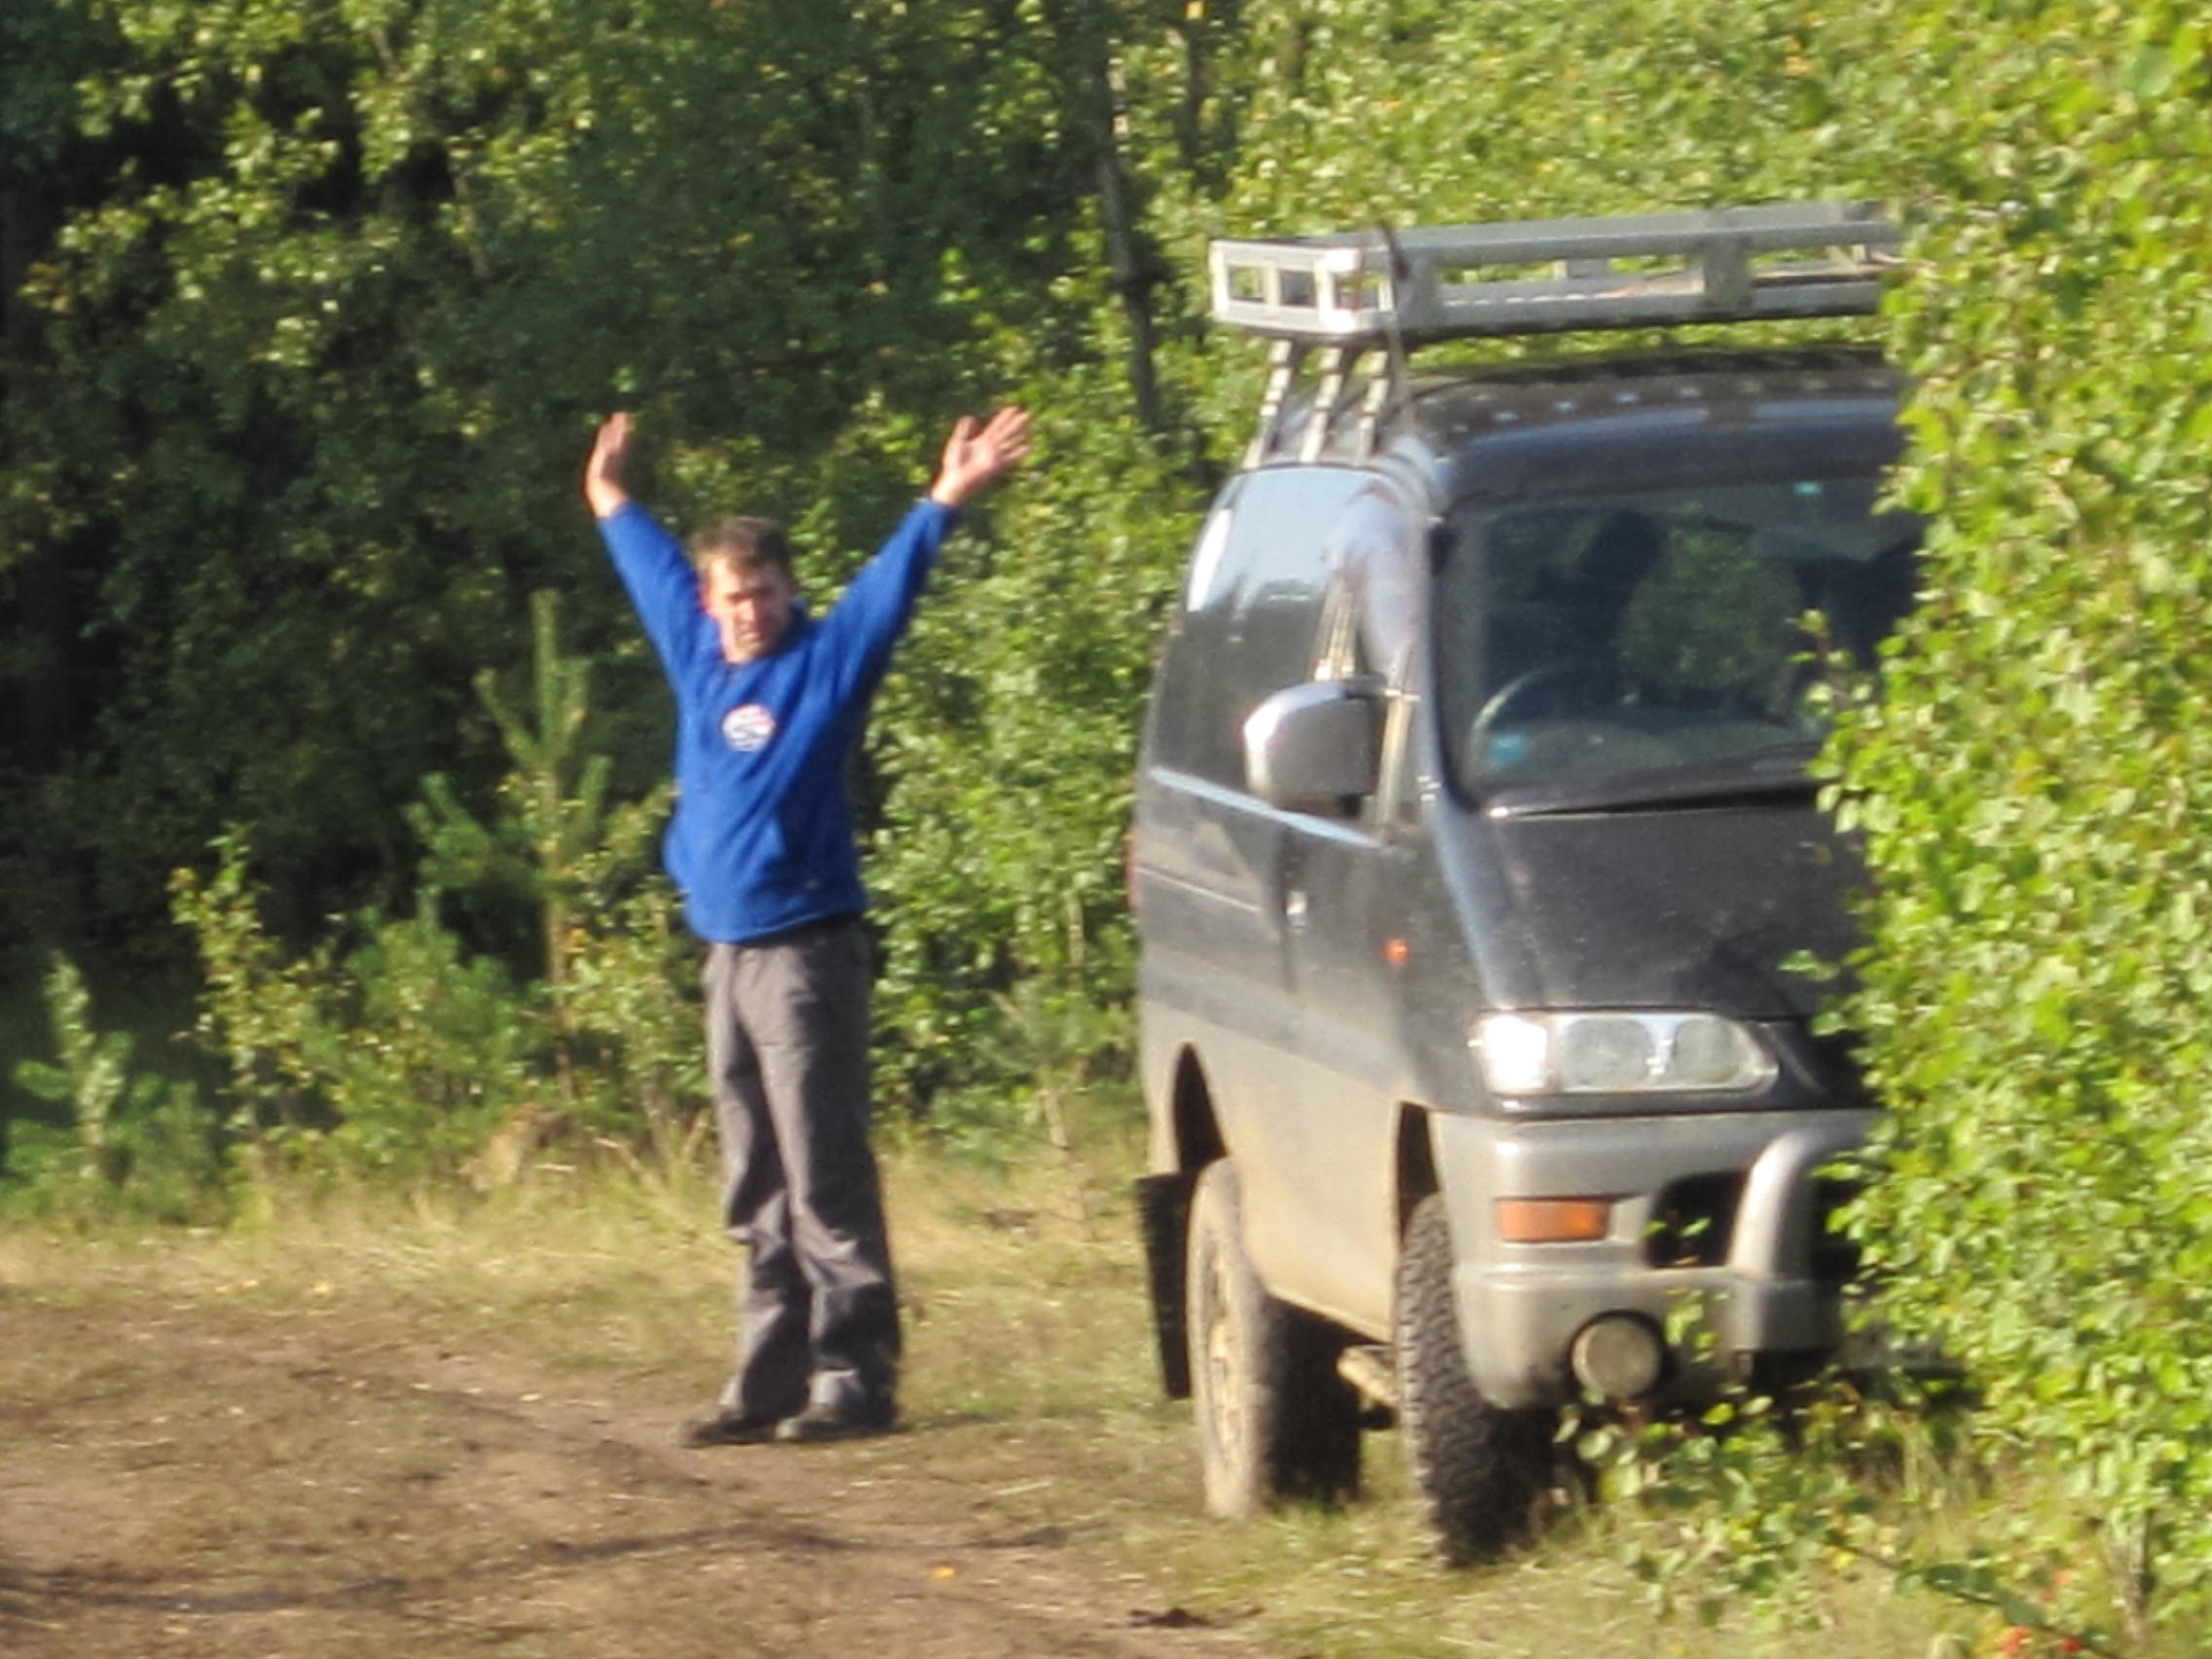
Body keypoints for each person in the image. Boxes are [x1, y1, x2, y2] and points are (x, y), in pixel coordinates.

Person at [583, 404, 1034, 1445]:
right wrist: (608, 495)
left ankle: (854, 1376)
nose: (749, 613)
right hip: (727, 955)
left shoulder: (823, 665)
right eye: (733, 597)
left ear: (790, 593)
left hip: (805, 954)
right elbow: (651, 568)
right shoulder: (699, 654)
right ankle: (769, 1378)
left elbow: (886, 590)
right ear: (712, 603)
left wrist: (947, 496)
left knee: (821, 1170)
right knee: (753, 1178)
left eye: (765, 594)